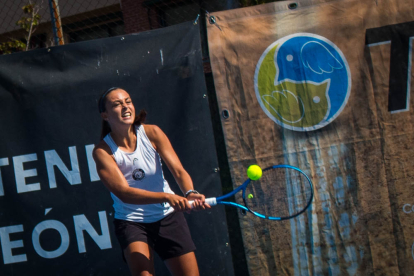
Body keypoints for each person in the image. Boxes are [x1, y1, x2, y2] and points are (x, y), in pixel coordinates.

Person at [92, 87, 210, 276]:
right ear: (105, 115)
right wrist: (166, 196)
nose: (125, 106)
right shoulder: (102, 152)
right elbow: (124, 193)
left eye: (128, 101)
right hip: (132, 222)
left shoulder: (152, 133)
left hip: (168, 217)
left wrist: (190, 193)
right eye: (117, 104)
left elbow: (179, 171)